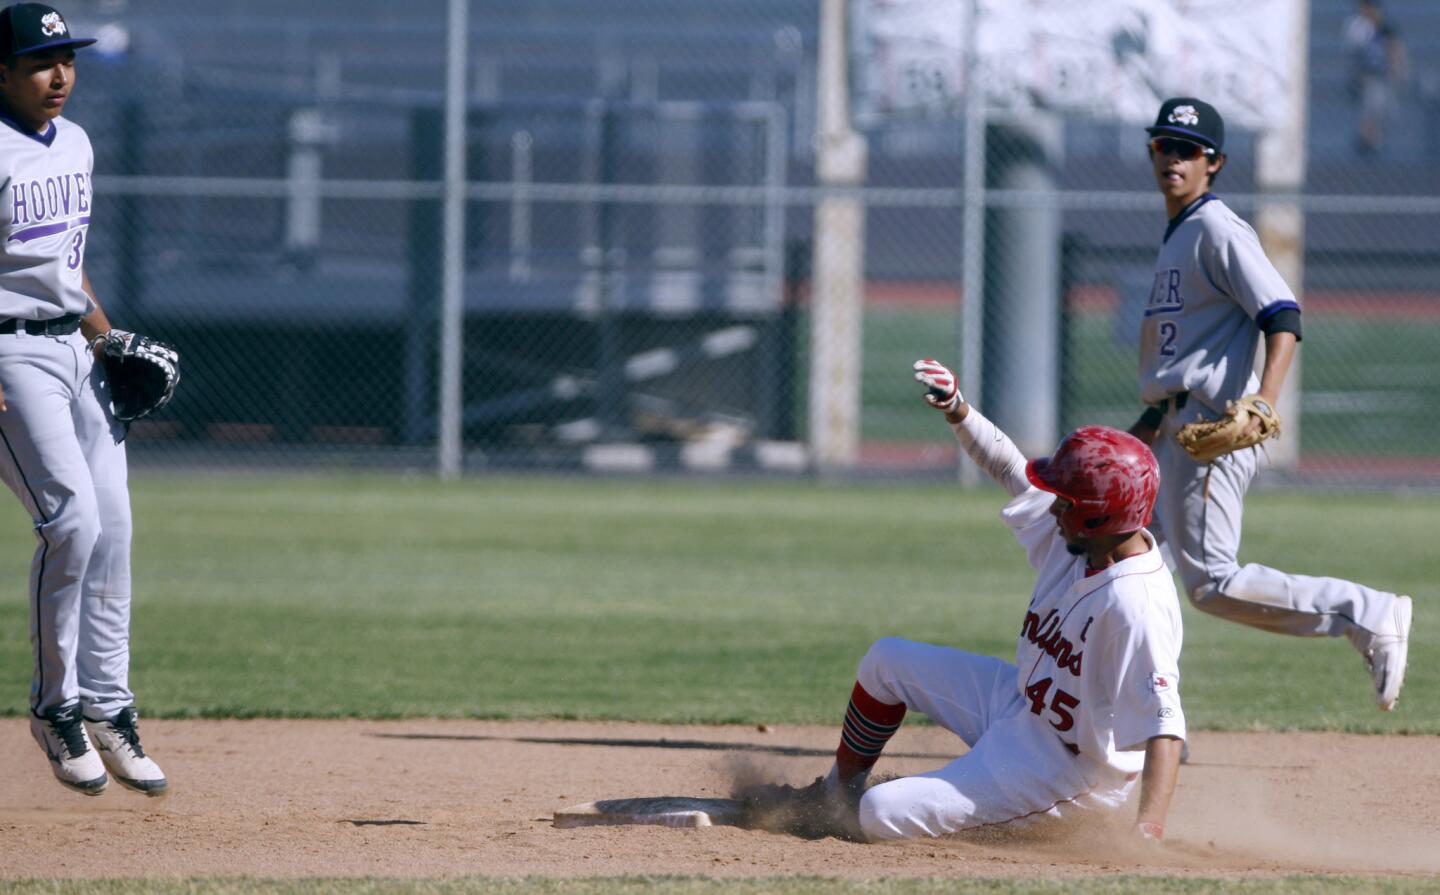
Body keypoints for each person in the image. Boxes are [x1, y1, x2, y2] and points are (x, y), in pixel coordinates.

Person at [746, 358, 1185, 844]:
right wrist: (958, 409)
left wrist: (1149, 829)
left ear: (1099, 519)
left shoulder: (1135, 605)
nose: (1054, 508)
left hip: (1067, 771)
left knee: (879, 813)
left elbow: (1164, 728)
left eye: (1066, 502)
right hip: (1019, 705)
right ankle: (834, 794)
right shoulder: (1082, 538)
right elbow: (1010, 466)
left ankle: (1025, 823)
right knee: (886, 661)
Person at [1128, 97, 1412, 712]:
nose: (1172, 158)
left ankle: (1369, 612)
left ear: (1214, 163)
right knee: (1132, 560)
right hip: (1177, 424)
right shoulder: (1180, 232)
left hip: (1213, 426)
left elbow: (1281, 313)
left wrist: (1263, 400)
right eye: (1163, 146)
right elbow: (1185, 352)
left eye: (1187, 149)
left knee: (1211, 584)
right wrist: (1145, 427)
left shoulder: (1216, 227)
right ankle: (1120, 704)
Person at [0, 2, 167, 796]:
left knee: (116, 525)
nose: (59, 74)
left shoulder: (75, 142)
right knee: (71, 519)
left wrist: (108, 337)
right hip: (9, 355)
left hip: (73, 347)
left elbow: (67, 261)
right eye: (39, 60)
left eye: (66, 57)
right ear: (2, 71)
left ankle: (109, 705)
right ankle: (54, 703)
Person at [1343, 0, 1408, 157]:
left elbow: (1395, 48)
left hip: (1383, 76)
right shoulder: (1359, 28)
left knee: (1384, 112)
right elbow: (1353, 53)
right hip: (1369, 76)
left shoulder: (1385, 27)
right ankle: (1367, 143)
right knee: (1373, 110)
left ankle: (1371, 141)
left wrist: (1398, 69)